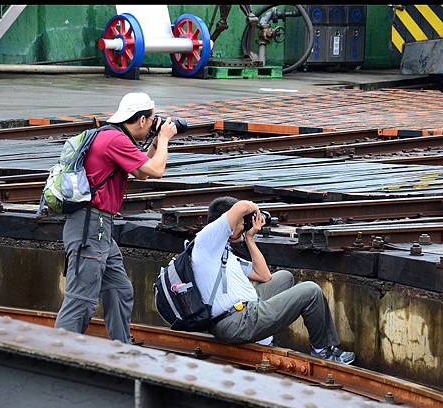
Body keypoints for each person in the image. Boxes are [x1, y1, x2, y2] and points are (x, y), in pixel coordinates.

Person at [55, 92, 178, 343]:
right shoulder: (115, 141)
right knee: (81, 300)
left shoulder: (111, 136)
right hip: (90, 228)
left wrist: (156, 140)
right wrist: (164, 138)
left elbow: (142, 171)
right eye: (152, 120)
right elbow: (156, 170)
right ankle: (56, 355)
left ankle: (120, 350)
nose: (153, 124)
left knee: (119, 290)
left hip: (99, 228)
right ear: (142, 120)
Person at [191, 196, 355, 364]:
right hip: (237, 322)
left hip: (242, 312)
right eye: (241, 222)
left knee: (284, 277)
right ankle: (322, 351)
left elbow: (263, 275)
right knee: (310, 291)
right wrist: (255, 210)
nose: (243, 225)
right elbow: (241, 206)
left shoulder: (222, 251)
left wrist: (249, 238)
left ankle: (262, 338)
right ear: (227, 223)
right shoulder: (208, 239)